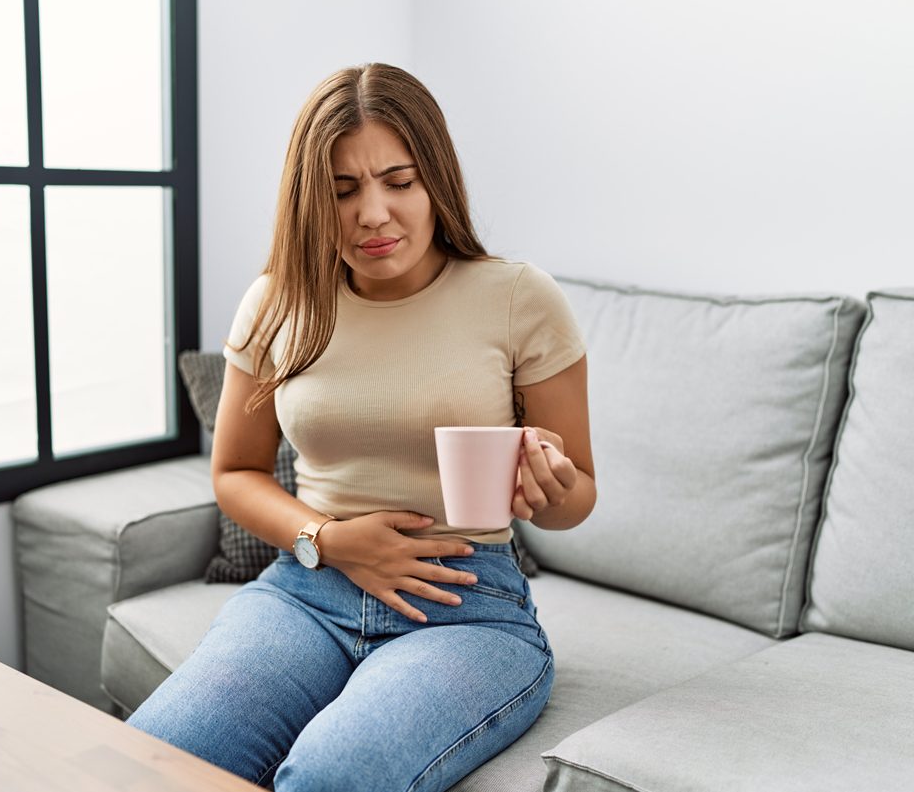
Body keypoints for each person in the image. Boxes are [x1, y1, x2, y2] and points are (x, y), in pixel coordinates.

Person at [127, 63, 596, 792]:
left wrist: (549, 485)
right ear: (310, 200)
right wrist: (327, 538)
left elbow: (578, 496)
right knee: (150, 763)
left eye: (399, 181)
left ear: (436, 178)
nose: (372, 213)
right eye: (342, 191)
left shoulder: (517, 298)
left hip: (467, 609)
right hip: (307, 592)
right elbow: (236, 472)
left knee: (331, 776)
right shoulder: (277, 303)